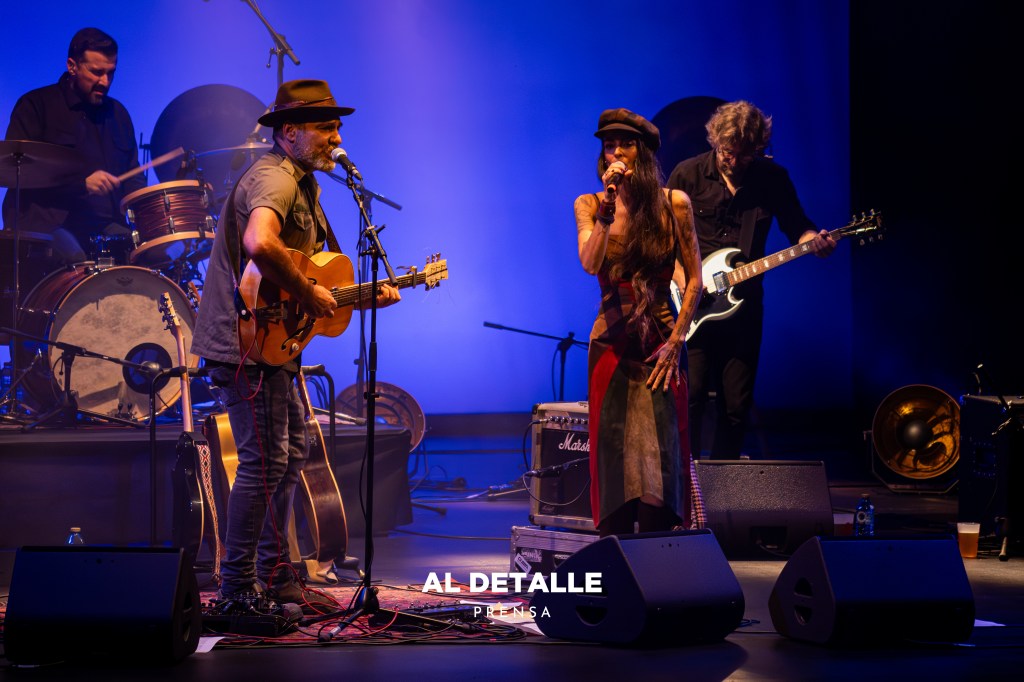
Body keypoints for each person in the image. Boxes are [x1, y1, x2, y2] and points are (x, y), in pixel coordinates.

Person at [190, 79, 401, 608]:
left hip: (272, 341)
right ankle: (236, 590)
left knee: (290, 454)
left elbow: (305, 271)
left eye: (337, 125)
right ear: (288, 133)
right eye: (325, 127)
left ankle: (277, 575)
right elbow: (259, 243)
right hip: (243, 344)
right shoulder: (275, 180)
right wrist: (309, 292)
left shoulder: (305, 182)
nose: (337, 136)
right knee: (264, 462)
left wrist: (347, 294)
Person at [666, 100, 836, 460]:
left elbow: (797, 225)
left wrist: (814, 242)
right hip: (692, 304)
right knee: (690, 398)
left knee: (735, 405)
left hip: (744, 307)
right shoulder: (687, 175)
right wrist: (681, 277)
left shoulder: (772, 180)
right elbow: (663, 239)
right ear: (715, 141)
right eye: (728, 151)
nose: (734, 160)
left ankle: (721, 489)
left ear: (758, 149)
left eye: (745, 154)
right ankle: (687, 487)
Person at [574, 108, 706, 537]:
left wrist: (676, 341)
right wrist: (607, 212)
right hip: (610, 345)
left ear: (643, 153)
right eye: (608, 144)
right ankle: (615, 558)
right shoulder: (591, 205)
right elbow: (590, 263)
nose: (614, 151)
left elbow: (696, 280)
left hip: (659, 345)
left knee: (660, 461)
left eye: (623, 143)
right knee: (613, 460)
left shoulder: (674, 204)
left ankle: (656, 560)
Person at [2, 27, 144, 263]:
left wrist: (156, 200)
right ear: (72, 66)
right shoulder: (36, 105)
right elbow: (18, 171)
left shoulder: (118, 114)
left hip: (103, 225)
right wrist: (81, 184)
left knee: (144, 257)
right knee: (76, 261)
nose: (105, 82)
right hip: (47, 222)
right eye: (97, 72)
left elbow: (133, 176)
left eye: (111, 73)